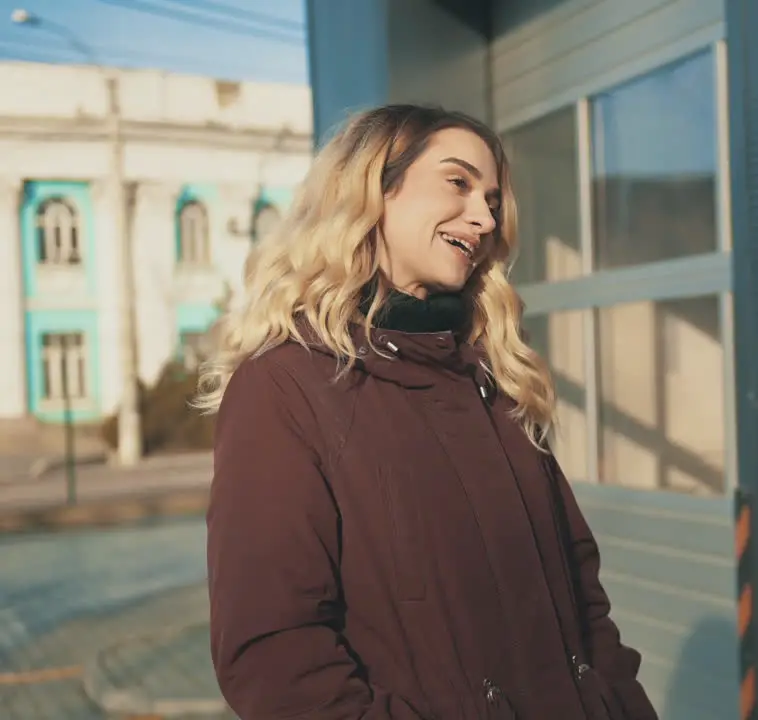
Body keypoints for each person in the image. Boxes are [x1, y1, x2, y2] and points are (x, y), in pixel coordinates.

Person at [196, 104, 657, 720]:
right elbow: (276, 658)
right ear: (374, 190)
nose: (484, 216)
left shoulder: (495, 376)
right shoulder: (285, 386)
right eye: (458, 183)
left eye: (492, 199)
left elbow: (584, 600)